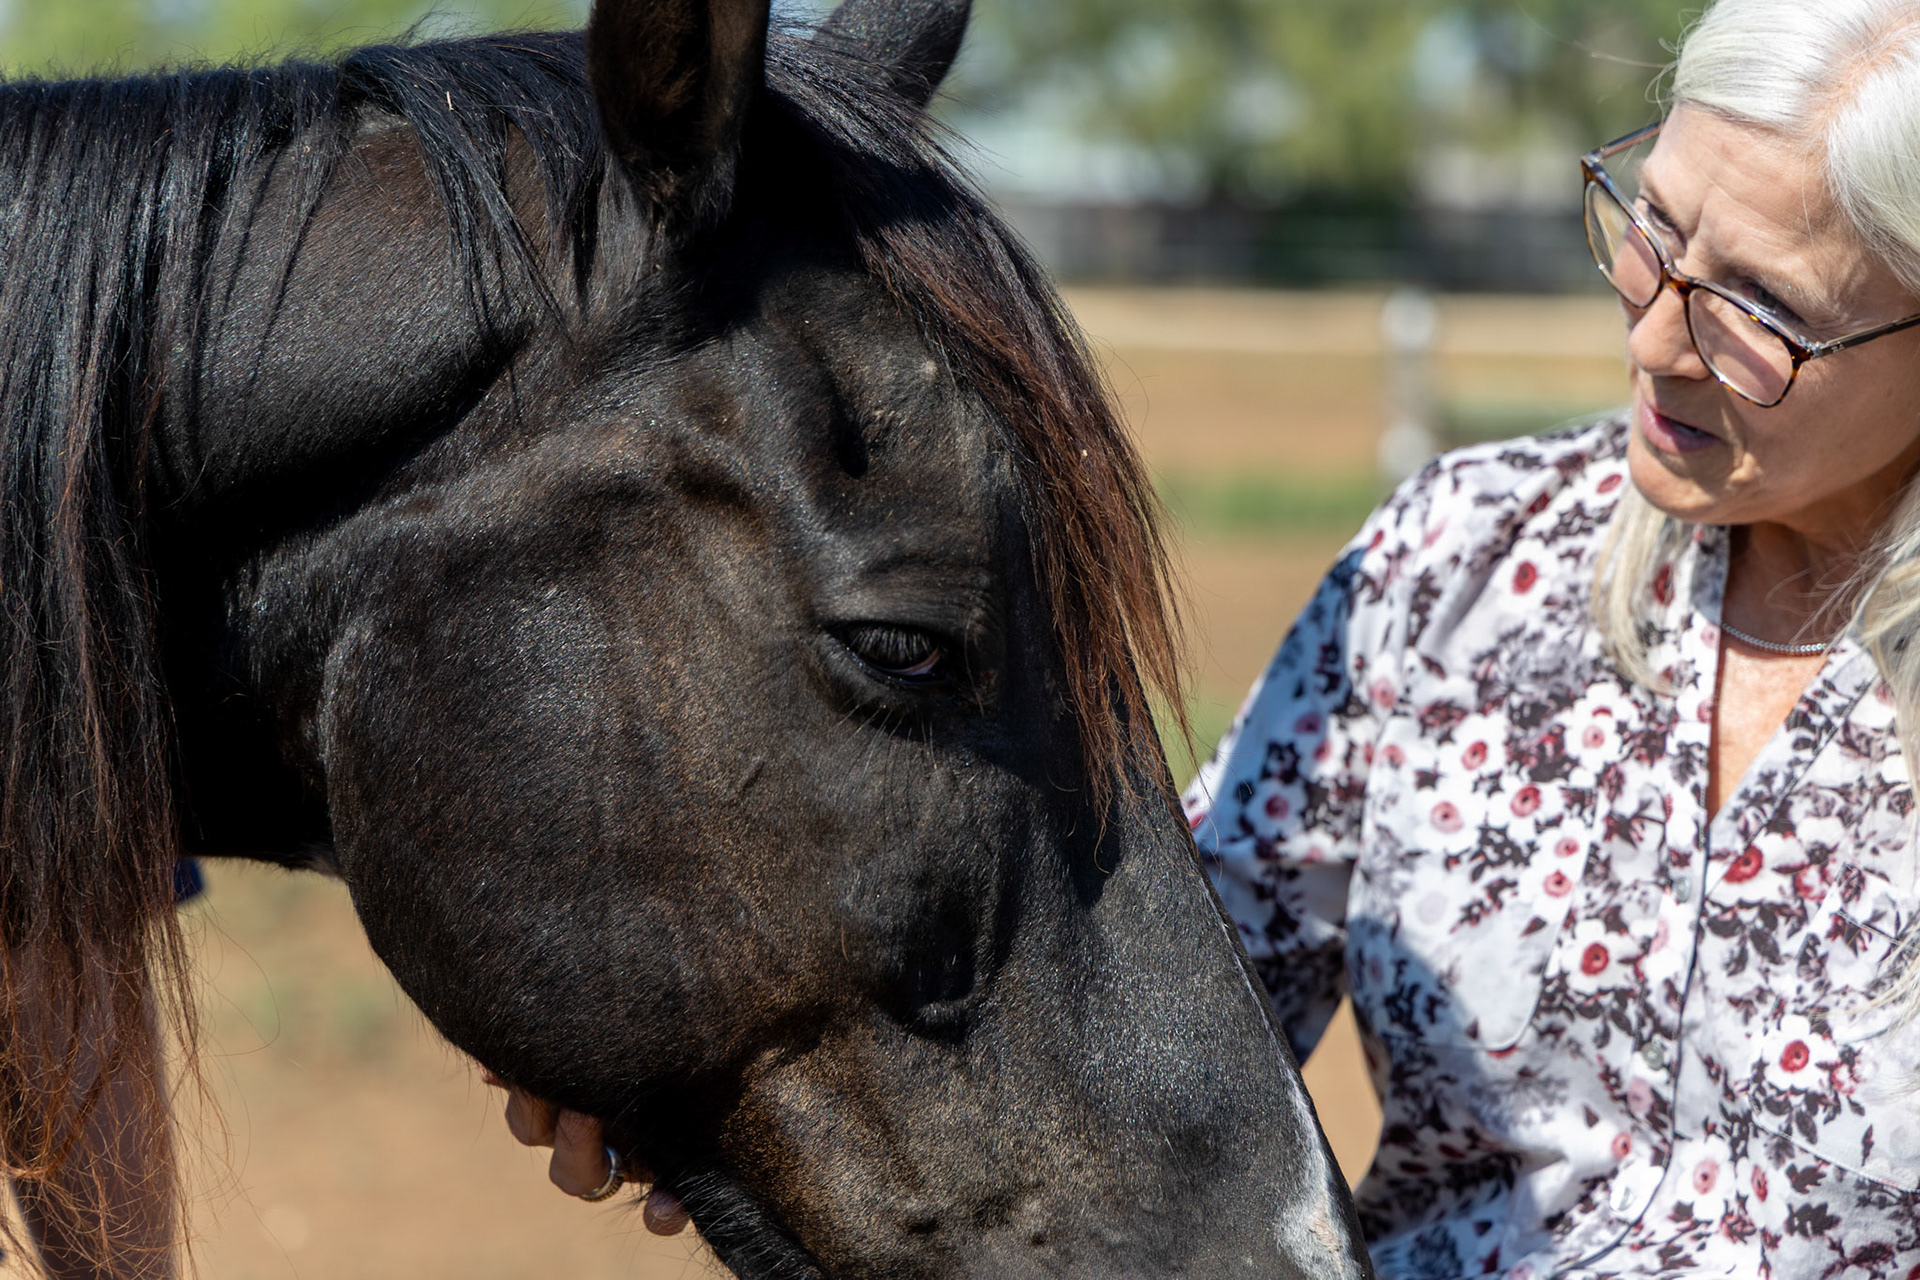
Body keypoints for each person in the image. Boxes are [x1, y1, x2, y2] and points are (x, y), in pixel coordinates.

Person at [1182, 2, 1920, 1275]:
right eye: (1657, 228)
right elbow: (1164, 1001)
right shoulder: (1454, 559)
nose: (1650, 340)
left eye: (1760, 313)